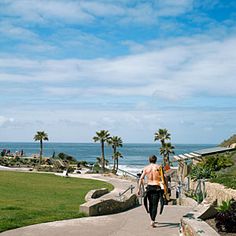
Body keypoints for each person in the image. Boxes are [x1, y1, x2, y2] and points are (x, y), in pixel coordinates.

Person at [137, 155, 165, 227]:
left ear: (149, 160)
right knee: (155, 205)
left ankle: (152, 219)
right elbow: (163, 179)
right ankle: (152, 220)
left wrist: (138, 189)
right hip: (157, 187)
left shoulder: (146, 168)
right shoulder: (159, 167)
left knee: (150, 204)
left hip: (149, 187)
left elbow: (141, 179)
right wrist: (165, 189)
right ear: (156, 160)